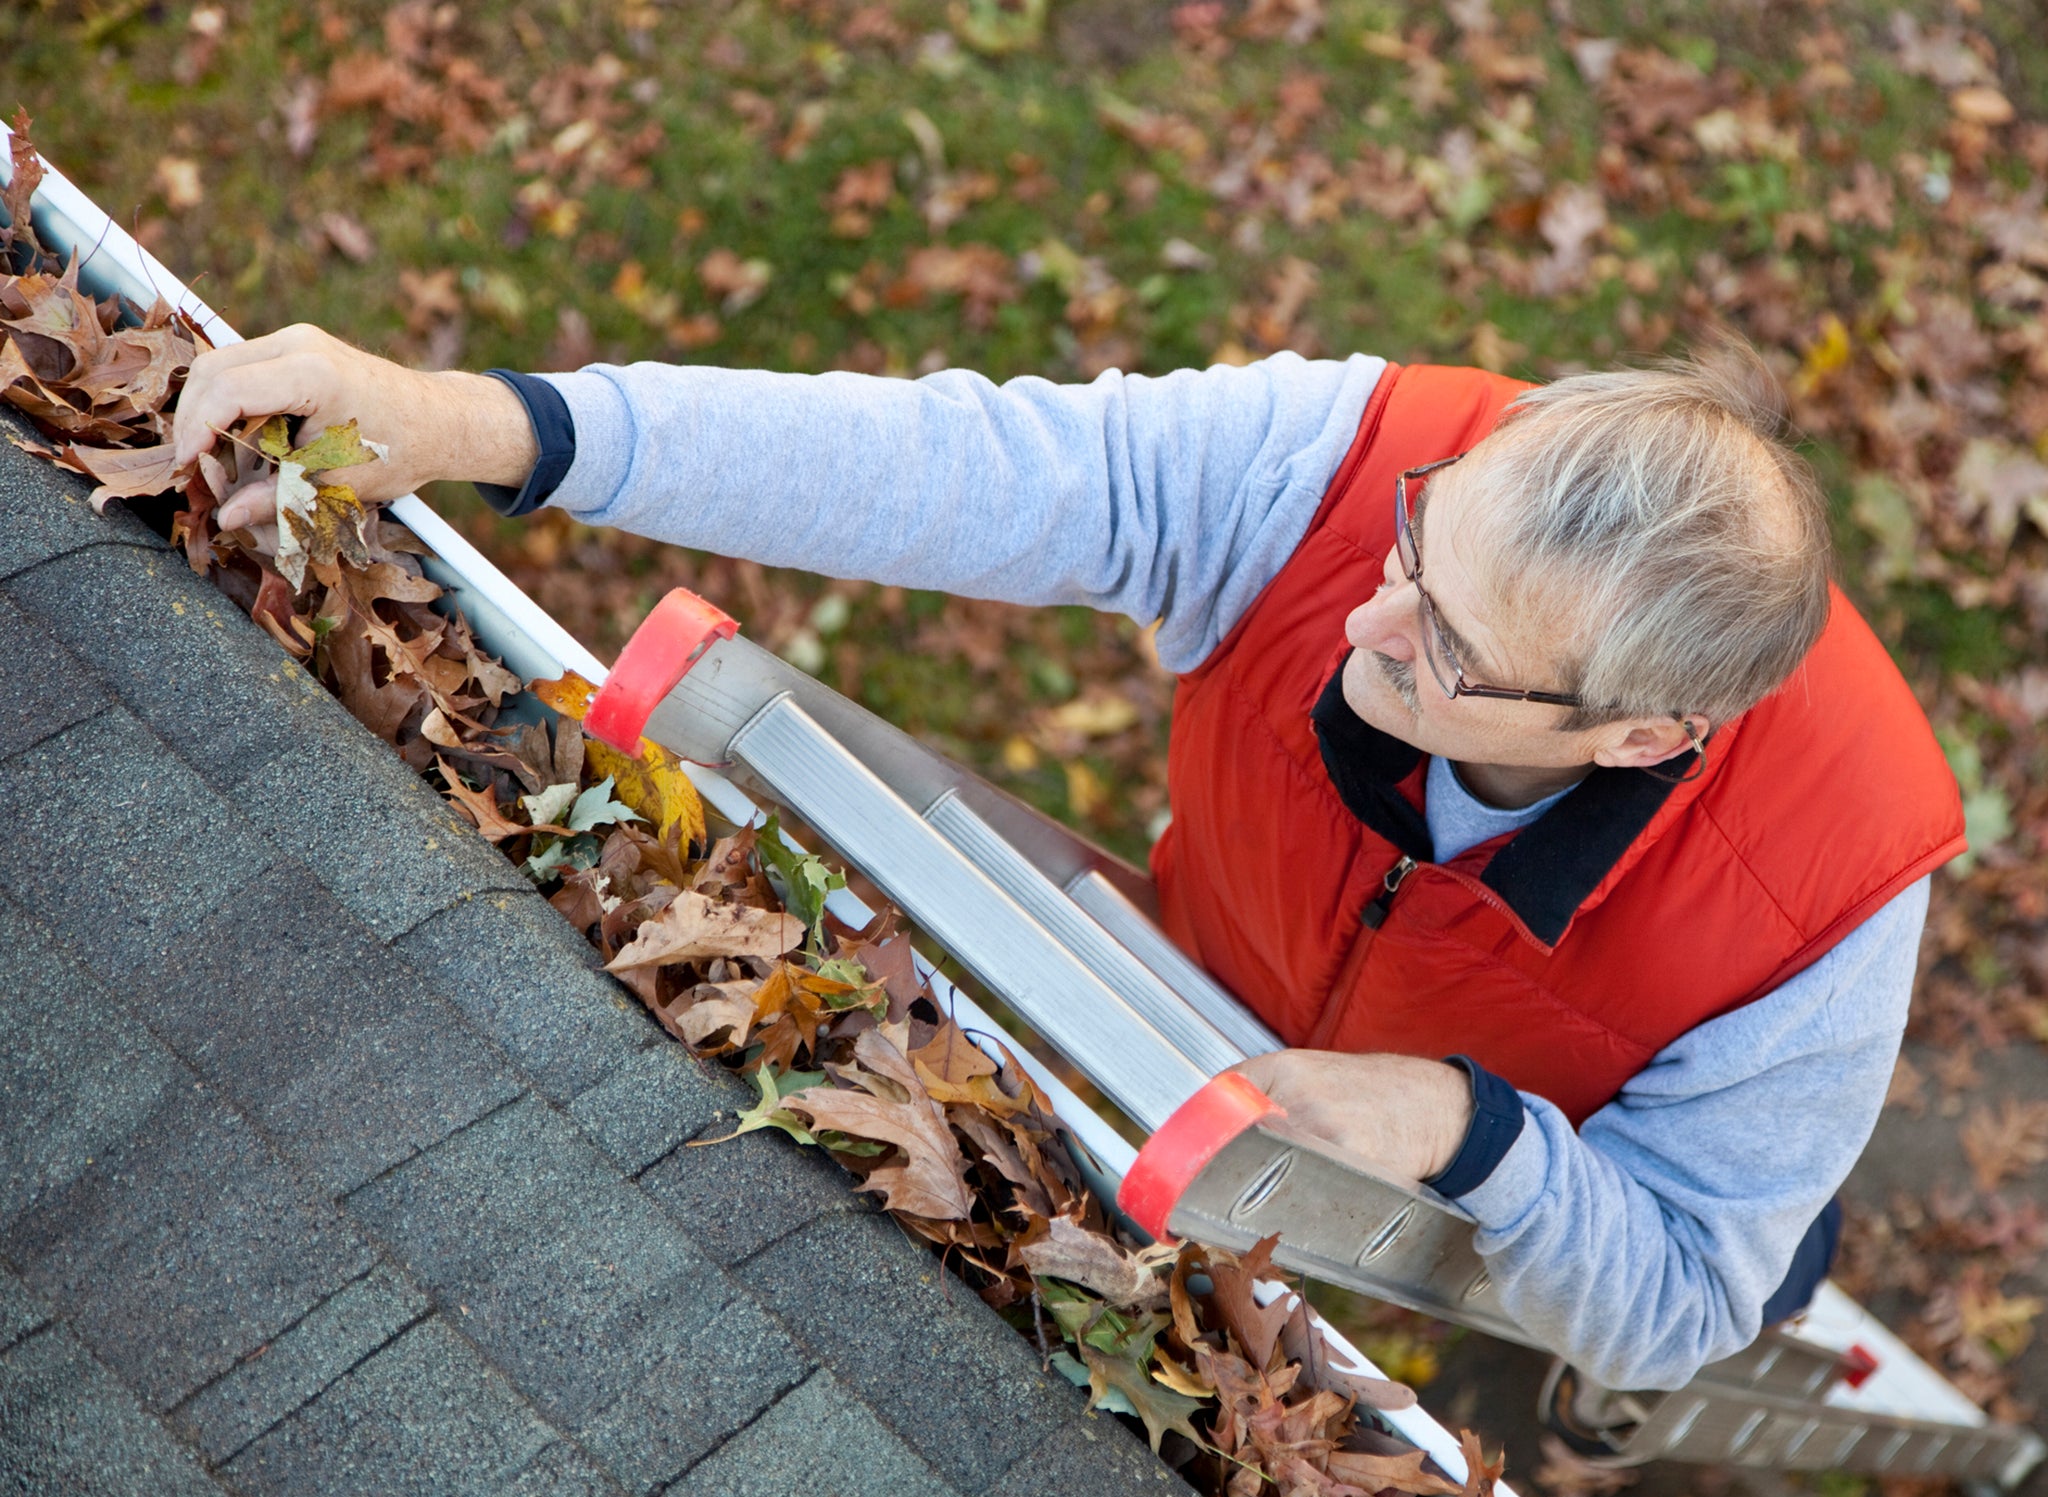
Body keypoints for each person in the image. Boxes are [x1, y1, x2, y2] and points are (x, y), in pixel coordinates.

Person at [172, 325, 1962, 1393]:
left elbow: (1677, 1295)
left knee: (1705, 1317)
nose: (1365, 618)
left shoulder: (1828, 901)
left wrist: (1470, 1135)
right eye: (1420, 545)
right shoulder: (1354, 471)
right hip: (1208, 989)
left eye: (1451, 656)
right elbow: (955, 464)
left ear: (1639, 738)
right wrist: (496, 424)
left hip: (1522, 1156)